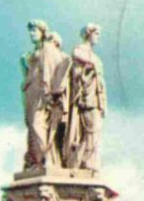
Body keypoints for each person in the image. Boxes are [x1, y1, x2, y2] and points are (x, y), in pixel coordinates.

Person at [20, 20, 70, 169]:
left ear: (42, 32)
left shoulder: (47, 49)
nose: (31, 34)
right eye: (30, 31)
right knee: (32, 126)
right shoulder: (31, 53)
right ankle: (36, 161)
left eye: (34, 31)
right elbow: (28, 73)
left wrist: (48, 90)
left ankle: (44, 159)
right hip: (30, 92)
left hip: (41, 92)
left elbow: (50, 69)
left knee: (38, 124)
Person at [65, 23, 106, 170]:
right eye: (96, 34)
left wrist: (102, 103)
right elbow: (76, 74)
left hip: (95, 99)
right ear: (88, 34)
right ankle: (83, 162)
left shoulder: (95, 57)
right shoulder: (79, 51)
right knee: (91, 130)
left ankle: (82, 161)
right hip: (86, 99)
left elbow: (100, 82)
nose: (98, 37)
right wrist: (89, 69)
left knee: (94, 131)